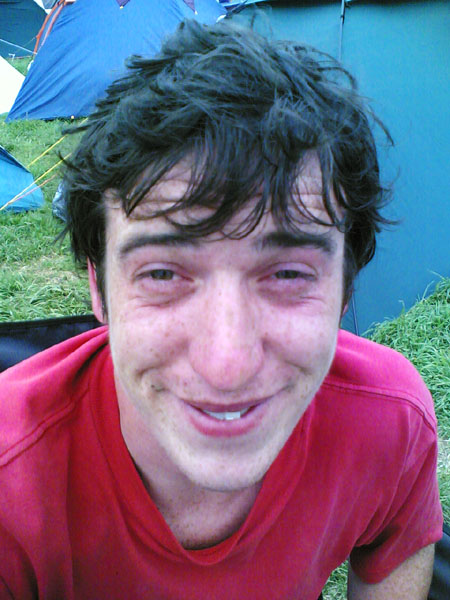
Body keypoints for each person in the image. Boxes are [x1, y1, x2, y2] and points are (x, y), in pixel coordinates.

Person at [0, 19, 442, 600]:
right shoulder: (10, 481)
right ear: (98, 289)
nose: (227, 366)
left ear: (344, 289)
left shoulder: (389, 421)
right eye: (162, 274)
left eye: (288, 274)